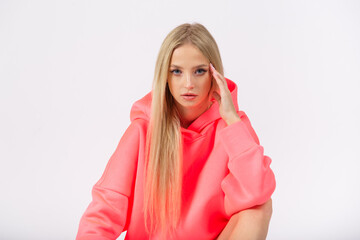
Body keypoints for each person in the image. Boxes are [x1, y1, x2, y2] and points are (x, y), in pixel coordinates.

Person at [76, 22, 276, 240]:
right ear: (166, 77)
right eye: (177, 72)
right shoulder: (142, 130)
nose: (188, 83)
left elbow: (258, 190)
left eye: (199, 71)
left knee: (259, 207)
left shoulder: (233, 126)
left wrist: (231, 118)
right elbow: (104, 211)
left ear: (214, 74)